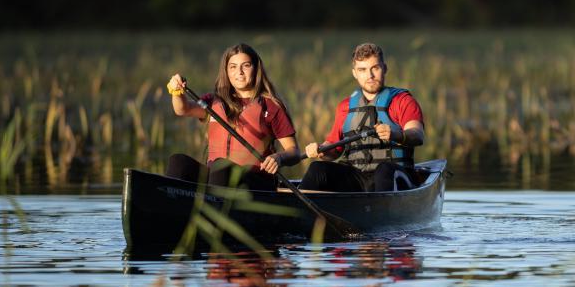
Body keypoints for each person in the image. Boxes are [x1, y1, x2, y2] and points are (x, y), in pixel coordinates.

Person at [165, 43, 300, 192]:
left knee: (220, 167)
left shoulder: (271, 106)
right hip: (215, 177)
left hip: (255, 181)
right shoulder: (213, 101)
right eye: (233, 67)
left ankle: (214, 210)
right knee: (178, 162)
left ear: (256, 69)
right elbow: (183, 109)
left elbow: (293, 152)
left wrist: (279, 158)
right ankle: (173, 206)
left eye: (246, 66)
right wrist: (176, 91)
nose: (239, 72)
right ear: (226, 72)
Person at [300, 42, 425, 192]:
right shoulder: (344, 107)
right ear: (355, 73)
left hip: (395, 175)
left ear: (384, 68)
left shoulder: (403, 101)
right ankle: (297, 212)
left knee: (384, 170)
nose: (370, 75)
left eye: (375, 68)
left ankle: (381, 213)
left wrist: (396, 134)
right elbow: (334, 149)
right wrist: (321, 150)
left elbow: (417, 135)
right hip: (357, 177)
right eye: (362, 70)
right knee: (317, 169)